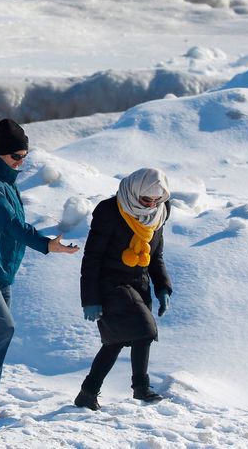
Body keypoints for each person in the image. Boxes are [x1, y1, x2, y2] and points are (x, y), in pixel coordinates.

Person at [0, 118, 80, 419]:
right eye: (16, 156)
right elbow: (10, 223)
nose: (21, 162)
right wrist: (46, 245)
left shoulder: (4, 180)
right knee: (3, 327)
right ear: (0, 153)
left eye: (25, 156)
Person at [74, 167, 173, 411]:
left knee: (115, 341)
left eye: (155, 199)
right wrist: (90, 298)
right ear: (133, 191)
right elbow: (92, 257)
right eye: (145, 199)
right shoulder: (110, 211)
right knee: (145, 329)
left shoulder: (160, 212)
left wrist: (162, 287)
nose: (150, 204)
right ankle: (141, 387)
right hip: (110, 283)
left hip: (139, 282)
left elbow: (156, 254)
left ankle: (87, 393)